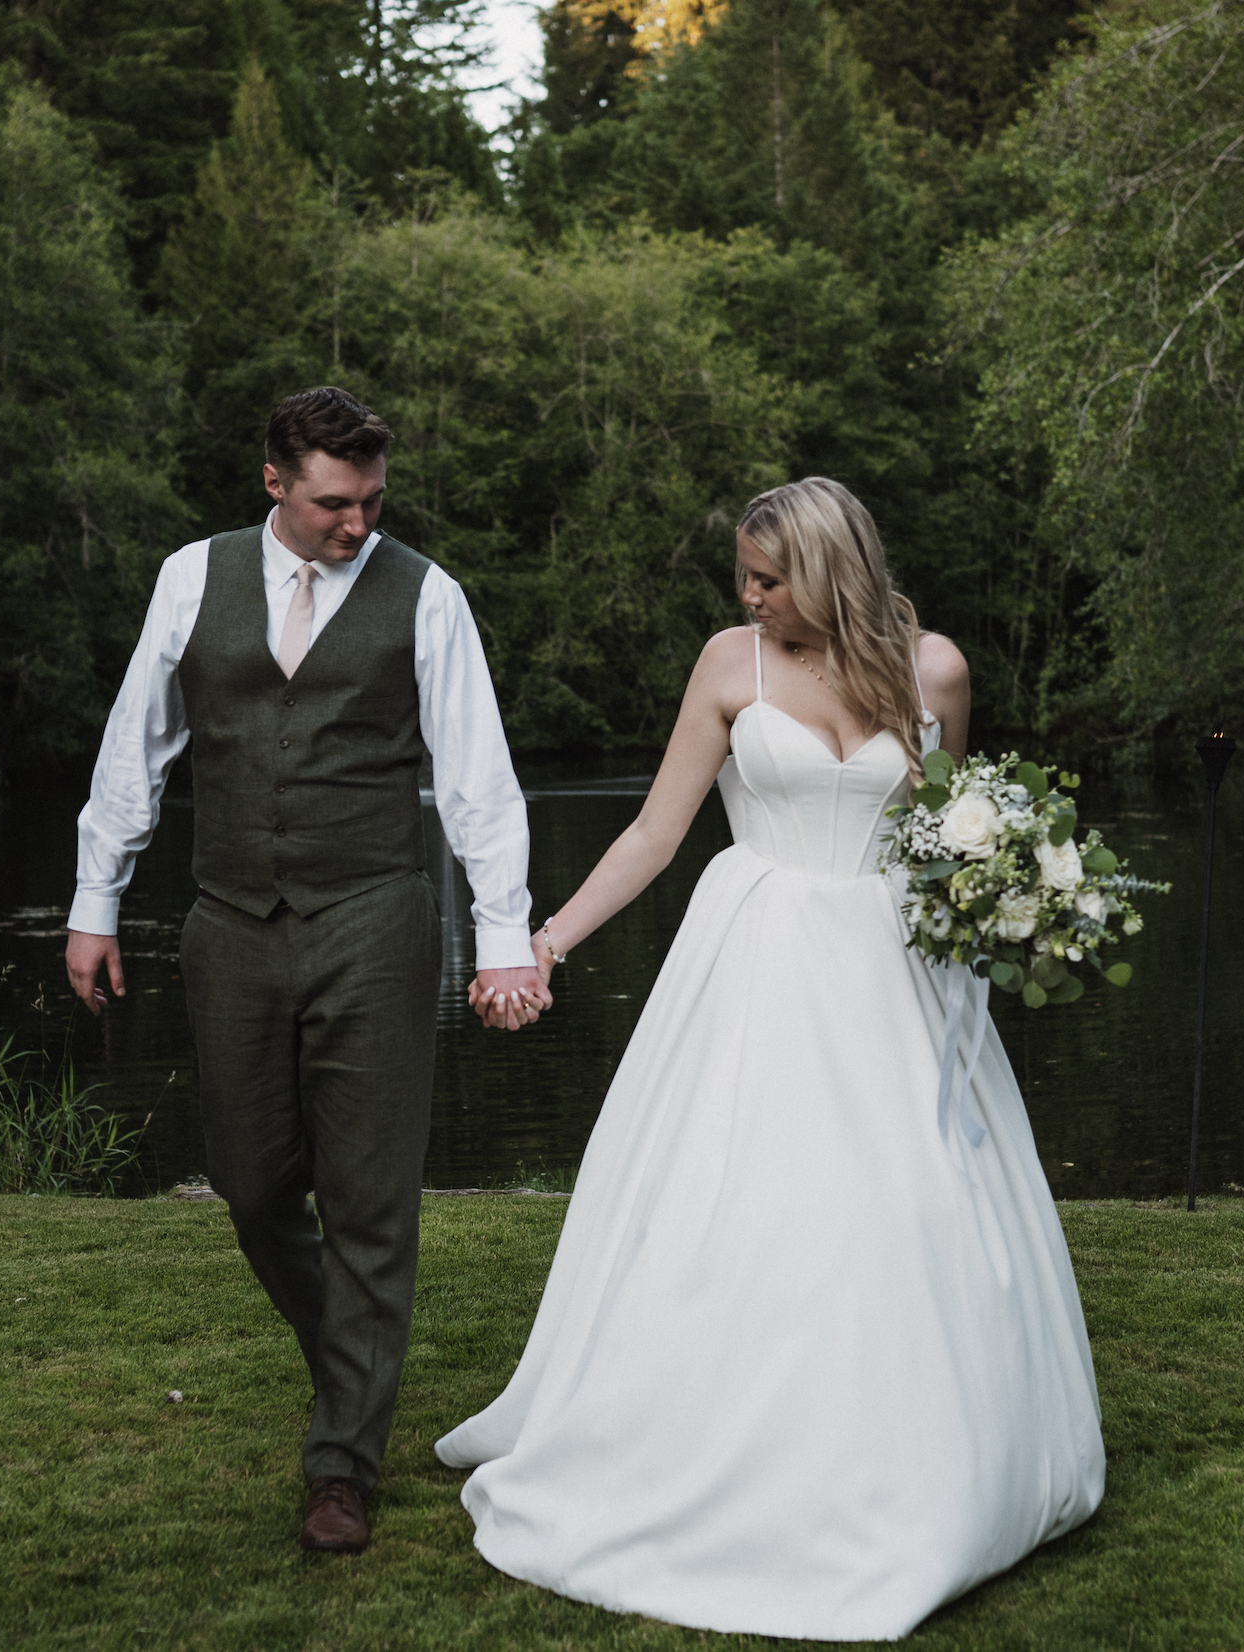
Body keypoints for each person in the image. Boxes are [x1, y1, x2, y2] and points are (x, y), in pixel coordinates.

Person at [436, 477, 1106, 1640]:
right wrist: (544, 941)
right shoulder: (727, 664)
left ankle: (914, 1453)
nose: (749, 596)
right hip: (758, 962)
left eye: (767, 578)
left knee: (905, 1199)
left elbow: (951, 831)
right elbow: (655, 832)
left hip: (894, 971)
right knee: (754, 1197)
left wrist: (1021, 901)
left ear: (830, 567)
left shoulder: (935, 669)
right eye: (743, 578)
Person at [66, 387, 550, 1558]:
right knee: (250, 1184)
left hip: (373, 918)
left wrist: (501, 936)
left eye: (372, 499)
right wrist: (94, 902)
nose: (357, 522)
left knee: (370, 1198)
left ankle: (342, 1462)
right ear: (273, 481)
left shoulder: (425, 594)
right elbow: (133, 747)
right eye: (335, 501)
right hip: (230, 919)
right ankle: (353, 1349)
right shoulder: (192, 578)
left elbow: (476, 776)